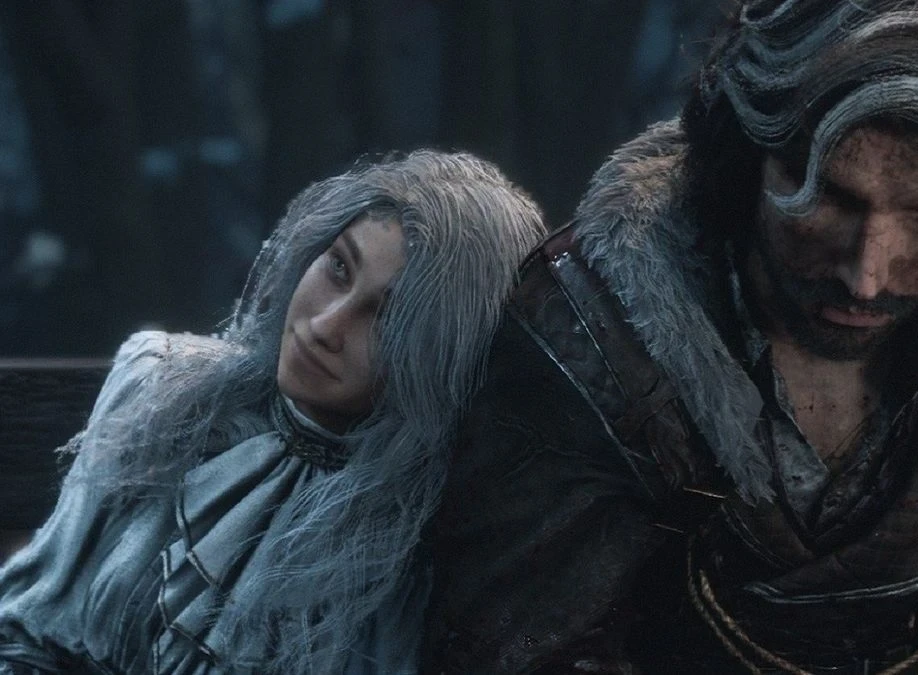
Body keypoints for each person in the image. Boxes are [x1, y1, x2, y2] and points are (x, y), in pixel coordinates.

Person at [423, 1, 918, 673]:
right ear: (747, 158)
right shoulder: (594, 330)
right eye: (831, 201)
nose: (867, 276)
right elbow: (522, 647)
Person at [0, 150, 544, 674]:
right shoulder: (156, 385)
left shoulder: (415, 546)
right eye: (338, 267)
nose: (325, 326)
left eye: (387, 317)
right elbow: (27, 626)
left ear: (443, 357)